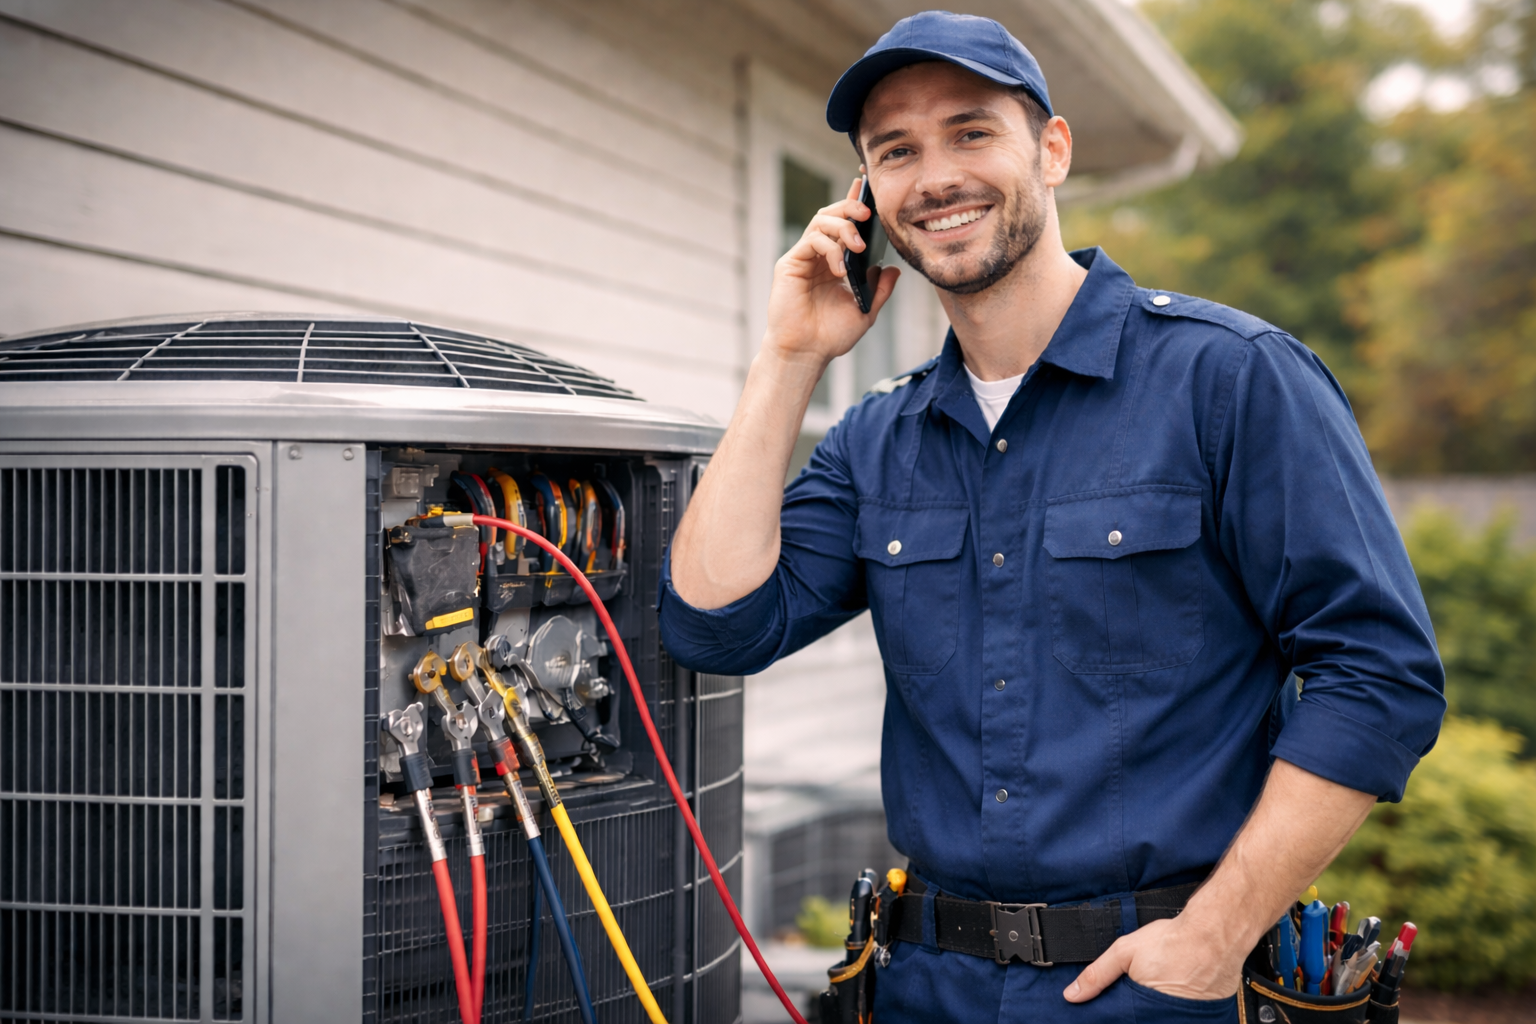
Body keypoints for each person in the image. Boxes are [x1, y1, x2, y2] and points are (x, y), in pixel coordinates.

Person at [660, 11, 1445, 1021]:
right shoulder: (876, 438)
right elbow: (715, 623)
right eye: (895, 151)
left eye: (971, 131)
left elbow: (1377, 672)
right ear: (868, 198)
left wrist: (1215, 935)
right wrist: (791, 354)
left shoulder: (1231, 381)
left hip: (1157, 988)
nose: (934, 176)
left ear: (1055, 150)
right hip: (924, 989)